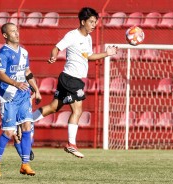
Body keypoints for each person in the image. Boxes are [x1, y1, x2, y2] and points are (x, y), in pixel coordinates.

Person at [32, 7, 118, 158]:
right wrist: (53, 56)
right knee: (77, 110)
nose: (93, 25)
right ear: (83, 21)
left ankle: (26, 120)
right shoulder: (72, 35)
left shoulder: (88, 38)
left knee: (53, 107)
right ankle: (71, 144)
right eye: (91, 22)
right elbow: (56, 47)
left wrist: (107, 53)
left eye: (95, 22)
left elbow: (89, 56)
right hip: (70, 79)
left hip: (71, 78)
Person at [0, 22, 41, 177]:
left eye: (17, 30)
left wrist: (36, 90)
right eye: (12, 31)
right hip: (9, 96)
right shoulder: (2, 53)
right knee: (9, 132)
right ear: (5, 35)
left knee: (26, 127)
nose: (16, 33)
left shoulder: (24, 52)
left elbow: (27, 72)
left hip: (24, 95)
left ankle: (25, 164)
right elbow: (0, 74)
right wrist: (16, 83)